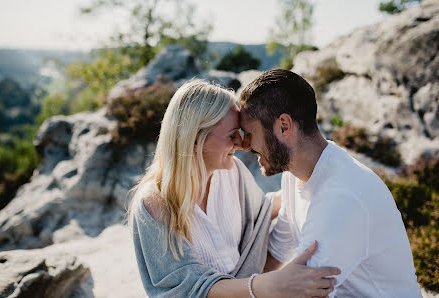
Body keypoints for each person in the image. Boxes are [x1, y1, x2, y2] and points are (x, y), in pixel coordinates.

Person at [128, 79, 340, 297]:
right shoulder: (155, 205)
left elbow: (260, 215)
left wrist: (318, 182)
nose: (241, 144)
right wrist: (267, 285)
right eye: (231, 136)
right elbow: (186, 287)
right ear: (195, 139)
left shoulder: (232, 172)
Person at [239, 69, 422, 297]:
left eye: (249, 133)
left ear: (284, 126)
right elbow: (274, 256)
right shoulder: (294, 176)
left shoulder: (341, 197)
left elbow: (302, 293)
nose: (244, 145)